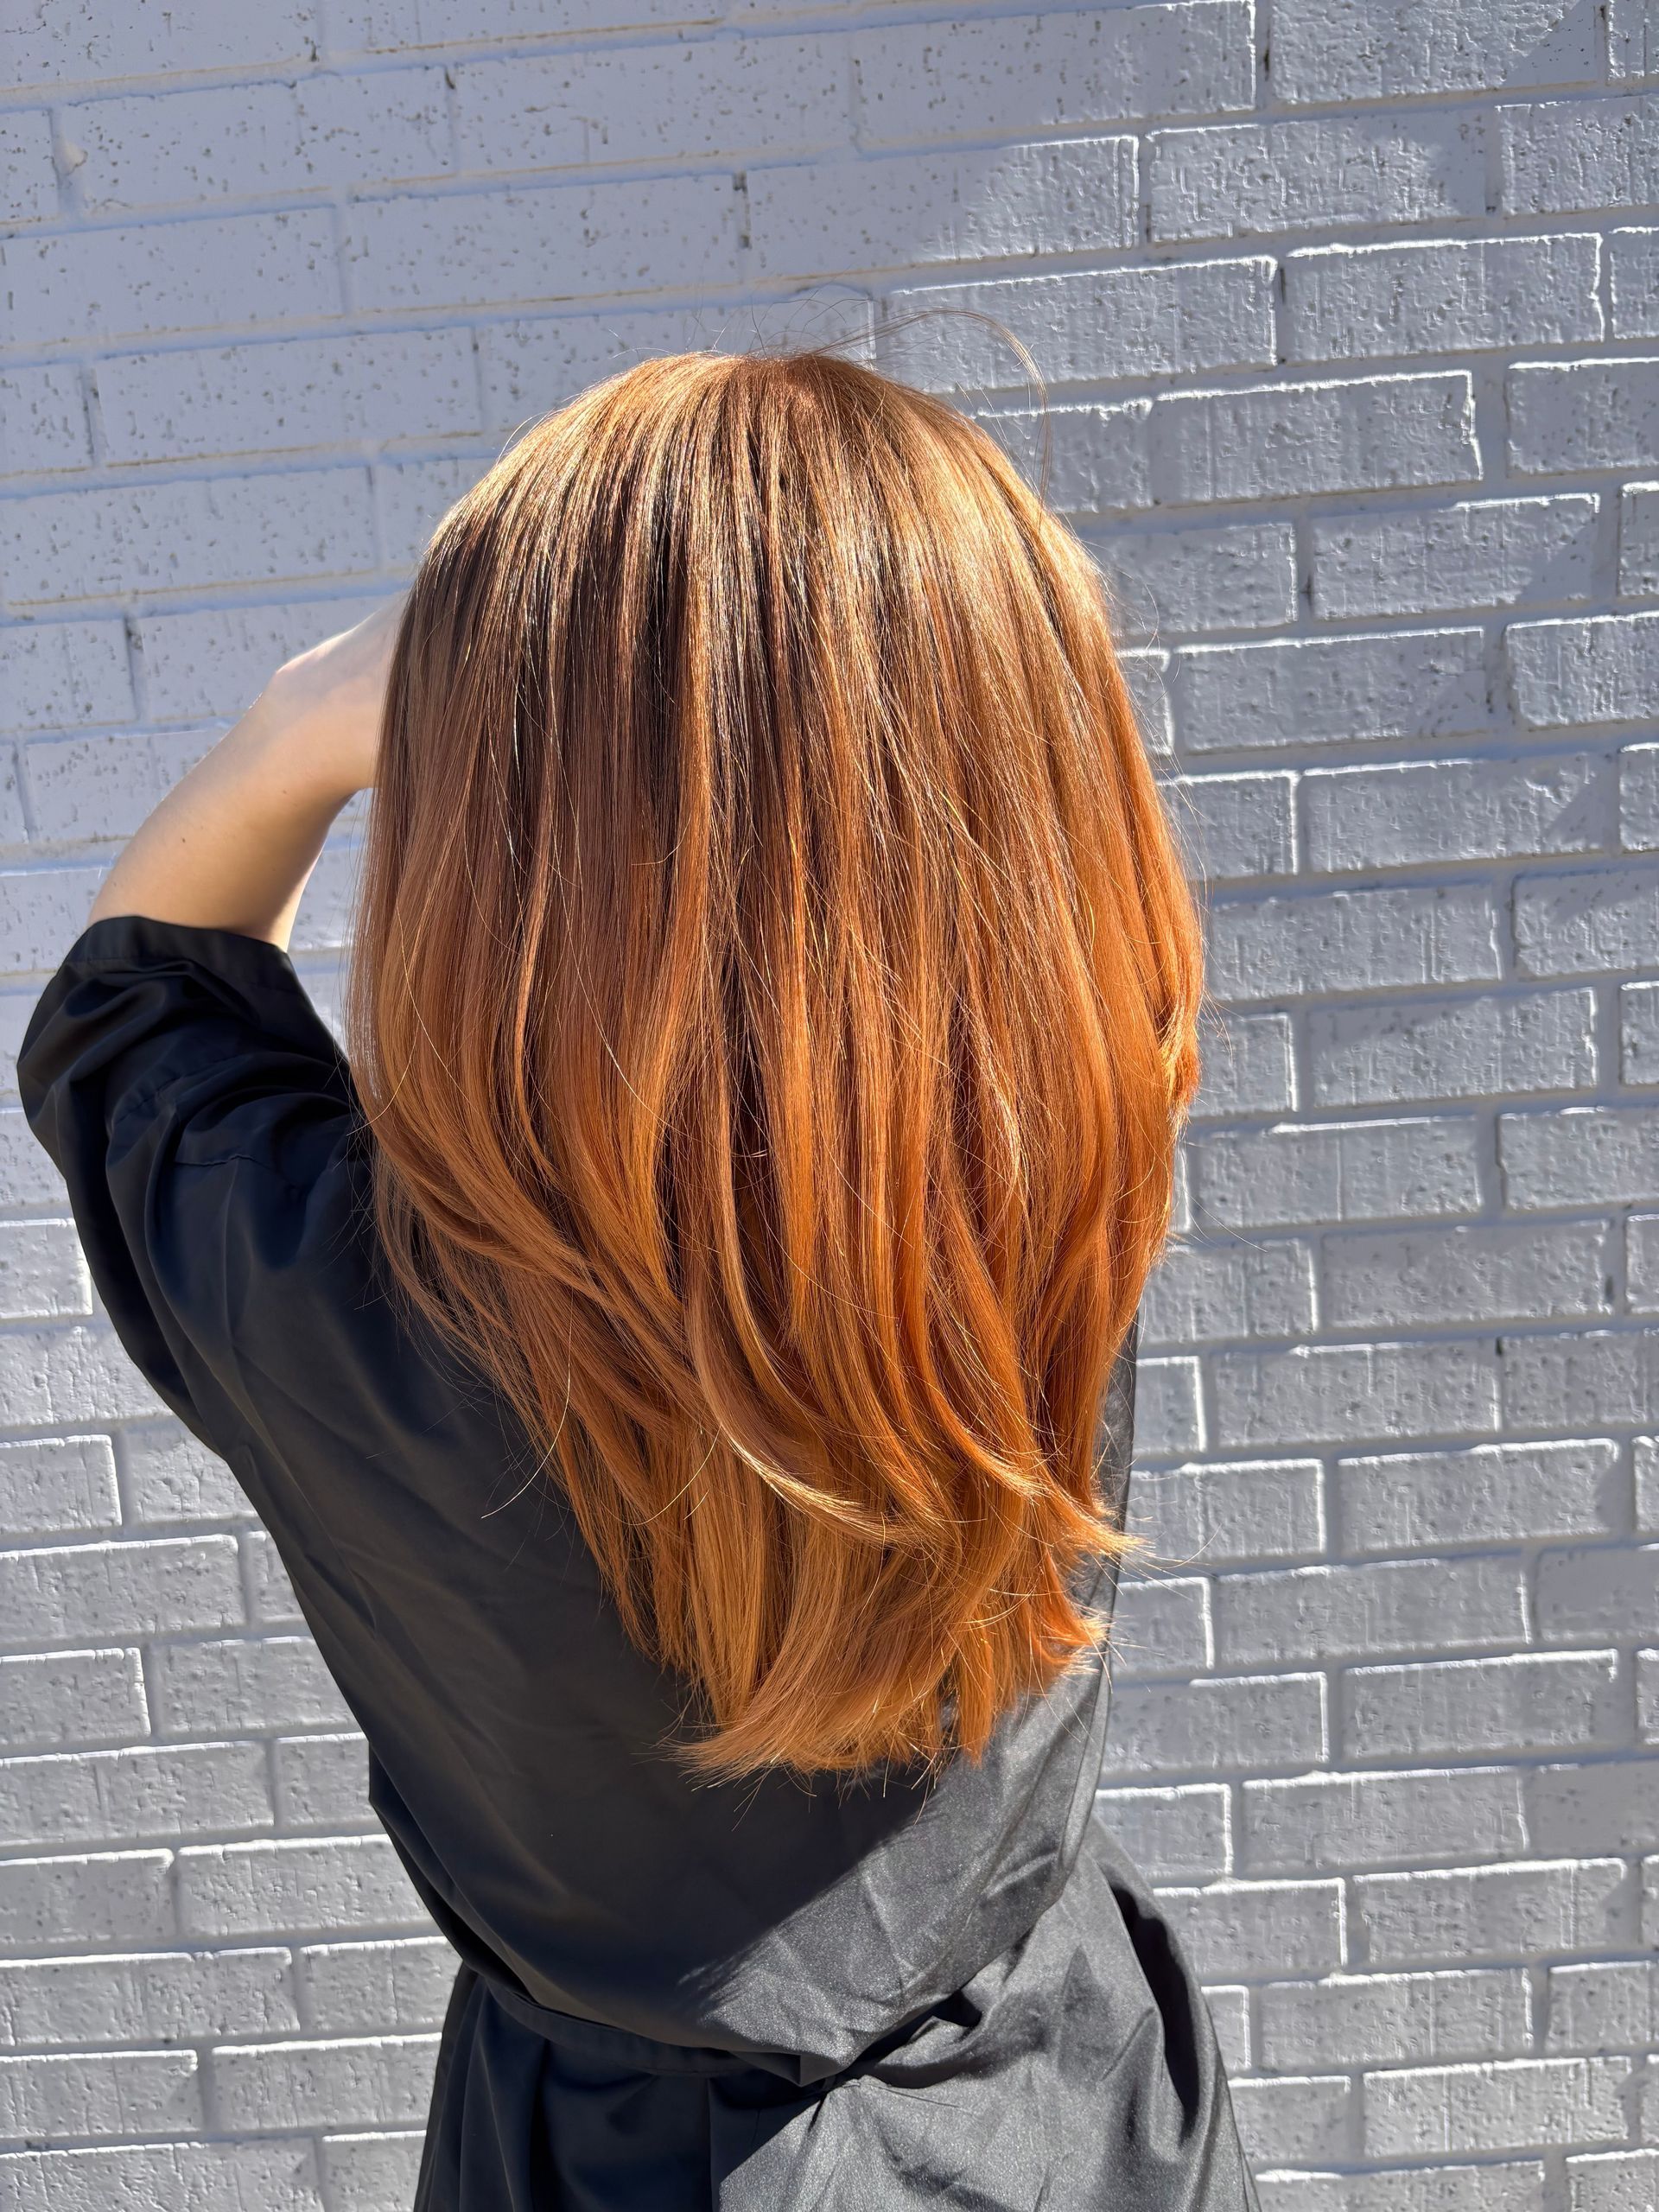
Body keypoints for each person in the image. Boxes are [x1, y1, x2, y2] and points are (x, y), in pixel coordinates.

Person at [18, 346, 1257, 2210]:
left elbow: (139, 997)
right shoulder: (1055, 1184)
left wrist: (308, 717)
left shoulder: (335, 1308)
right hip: (1062, 2116)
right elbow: (1026, 880)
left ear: (503, 868)